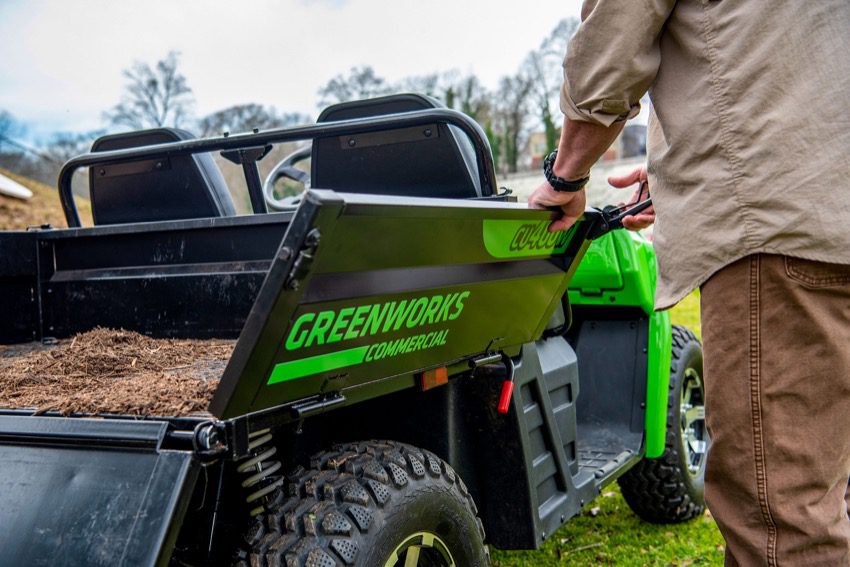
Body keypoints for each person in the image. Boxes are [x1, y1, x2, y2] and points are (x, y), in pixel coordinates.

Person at [529, 1, 850, 565]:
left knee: (783, 524)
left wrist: (567, 174)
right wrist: (682, 174)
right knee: (829, 484)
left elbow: (614, 39)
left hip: (778, 231)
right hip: (824, 209)